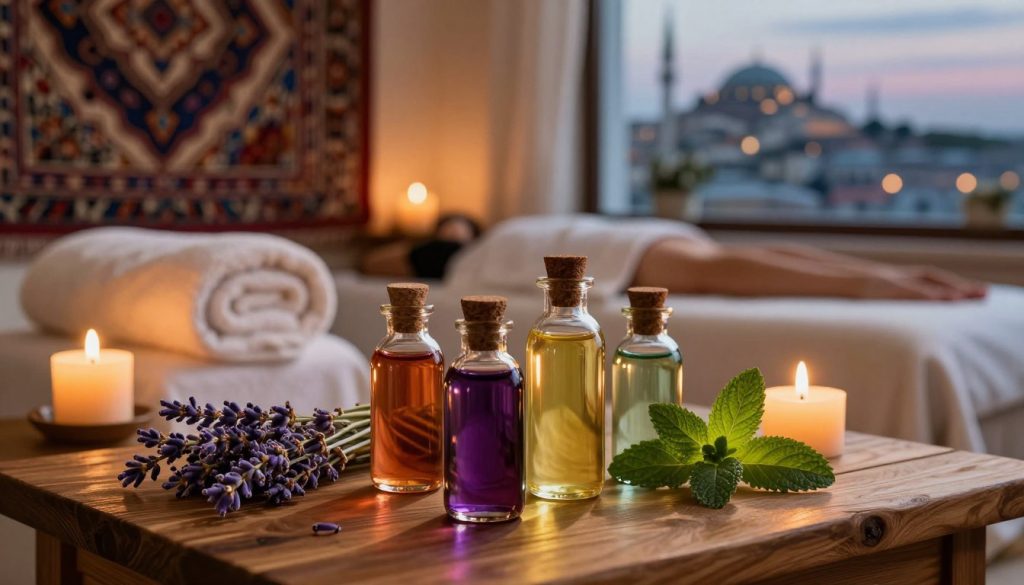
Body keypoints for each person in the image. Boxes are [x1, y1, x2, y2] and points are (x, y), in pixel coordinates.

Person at [361, 216, 987, 301]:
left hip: (607, 243)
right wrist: (436, 228)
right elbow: (372, 261)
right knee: (739, 258)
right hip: (627, 236)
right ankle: (885, 275)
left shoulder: (486, 239)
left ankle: (878, 283)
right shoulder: (451, 248)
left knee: (729, 264)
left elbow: (375, 260)